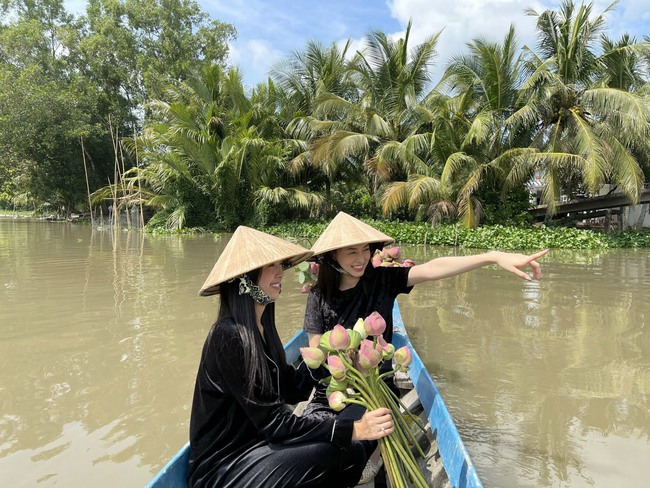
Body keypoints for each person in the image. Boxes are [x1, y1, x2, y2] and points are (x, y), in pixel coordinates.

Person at [302, 212, 548, 480]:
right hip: (337, 386)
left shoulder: (383, 280)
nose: (361, 258)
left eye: (365, 250)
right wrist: (345, 360)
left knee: (348, 451)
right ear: (332, 256)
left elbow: (432, 269)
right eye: (351, 252)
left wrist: (491, 256)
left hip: (375, 387)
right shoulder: (318, 296)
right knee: (313, 444)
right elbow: (316, 350)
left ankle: (373, 452)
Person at [188, 225, 394, 488]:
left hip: (259, 447)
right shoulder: (228, 336)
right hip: (224, 466)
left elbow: (291, 390)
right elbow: (275, 423)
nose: (280, 273)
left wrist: (334, 359)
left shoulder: (263, 329)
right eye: (270, 266)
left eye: (281, 265)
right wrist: (353, 429)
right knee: (333, 450)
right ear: (245, 279)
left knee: (350, 451)